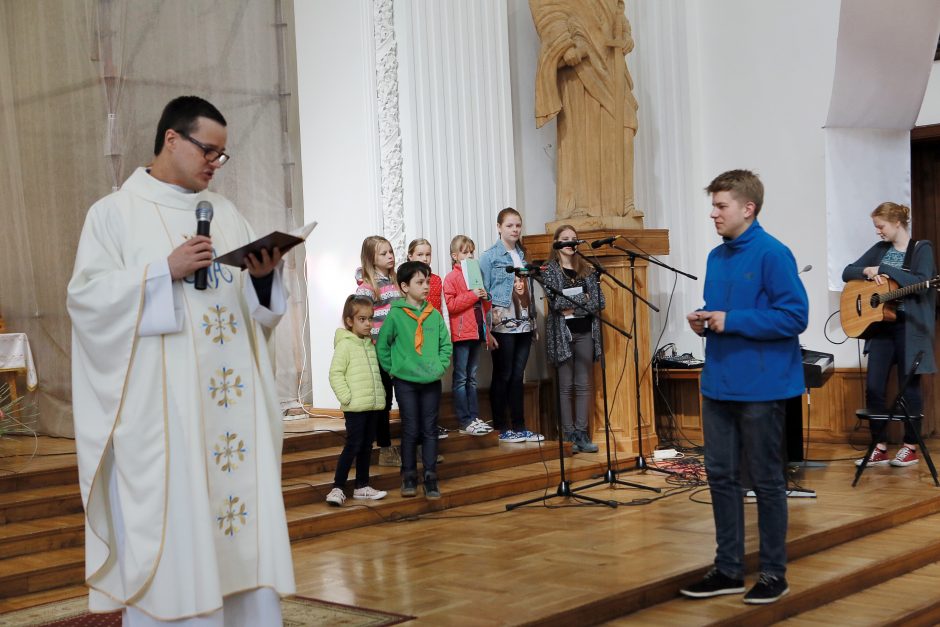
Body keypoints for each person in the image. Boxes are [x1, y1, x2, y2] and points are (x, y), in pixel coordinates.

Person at [67, 96, 295, 624]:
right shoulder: (113, 214)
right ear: (172, 139)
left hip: (232, 416)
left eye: (222, 154)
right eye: (208, 150)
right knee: (181, 536)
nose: (216, 162)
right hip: (170, 420)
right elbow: (87, 302)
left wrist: (262, 278)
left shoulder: (229, 215)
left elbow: (254, 315)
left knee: (241, 543)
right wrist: (160, 271)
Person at [680, 170, 808, 605]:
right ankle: (728, 569)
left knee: (768, 482)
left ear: (747, 208)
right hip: (719, 384)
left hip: (762, 386)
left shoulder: (774, 253)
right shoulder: (717, 257)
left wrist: (731, 321)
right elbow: (723, 311)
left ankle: (774, 573)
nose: (713, 214)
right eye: (713, 205)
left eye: (721, 206)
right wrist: (704, 320)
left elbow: (794, 317)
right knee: (720, 477)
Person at [529, 0, 642, 231]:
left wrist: (626, 33)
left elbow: (617, 10)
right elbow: (547, 9)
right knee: (582, 133)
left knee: (625, 123)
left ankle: (622, 203)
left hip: (610, 63)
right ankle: (581, 205)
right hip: (580, 65)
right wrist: (565, 44)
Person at [842, 202, 936, 468]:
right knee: (874, 387)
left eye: (880, 226)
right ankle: (879, 446)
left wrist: (887, 271)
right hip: (881, 327)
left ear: (897, 223)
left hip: (910, 326)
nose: (878, 232)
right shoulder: (880, 250)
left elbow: (919, 284)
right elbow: (847, 271)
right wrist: (867, 271)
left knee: (910, 388)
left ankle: (910, 447)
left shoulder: (921, 248)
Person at [376, 261, 453, 499]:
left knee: (430, 429)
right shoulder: (396, 315)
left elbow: (445, 345)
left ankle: (430, 476)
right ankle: (408, 474)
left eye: (427, 281)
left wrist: (439, 366)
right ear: (404, 287)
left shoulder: (434, 315)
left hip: (430, 381)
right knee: (410, 428)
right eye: (420, 282)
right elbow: (382, 346)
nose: (426, 286)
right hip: (405, 382)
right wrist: (393, 370)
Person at [479, 207, 544, 444]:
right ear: (499, 227)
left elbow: (528, 290)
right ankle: (501, 426)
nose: (515, 229)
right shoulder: (489, 257)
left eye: (518, 225)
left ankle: (520, 425)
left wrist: (534, 322)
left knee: (518, 376)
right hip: (502, 325)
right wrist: (487, 329)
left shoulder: (522, 255)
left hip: (524, 323)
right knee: (503, 375)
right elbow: (483, 295)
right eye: (510, 225)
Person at [542, 225, 604, 453]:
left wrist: (575, 308)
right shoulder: (550, 269)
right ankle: (568, 435)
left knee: (583, 384)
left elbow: (599, 301)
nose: (570, 242)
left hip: (585, 331)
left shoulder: (586, 270)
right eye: (565, 239)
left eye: (574, 239)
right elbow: (555, 303)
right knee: (566, 385)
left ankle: (581, 433)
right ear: (556, 242)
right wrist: (583, 298)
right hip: (562, 333)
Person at [326, 295, 389, 506]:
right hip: (355, 407)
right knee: (353, 445)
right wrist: (347, 398)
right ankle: (337, 487)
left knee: (366, 446)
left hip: (372, 405)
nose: (368, 324)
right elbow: (335, 373)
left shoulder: (369, 345)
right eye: (362, 319)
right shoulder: (345, 345)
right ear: (349, 321)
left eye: (370, 319)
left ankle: (362, 486)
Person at [356, 235, 402, 467]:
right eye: (383, 254)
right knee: (384, 400)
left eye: (391, 252)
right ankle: (384, 448)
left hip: (399, 352)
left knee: (401, 397)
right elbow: (361, 318)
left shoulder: (395, 283)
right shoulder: (368, 286)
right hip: (380, 352)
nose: (390, 256)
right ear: (371, 259)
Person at [443, 235, 493, 436]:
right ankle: (465, 420)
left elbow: (483, 306)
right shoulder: (452, 277)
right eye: (465, 252)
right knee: (461, 378)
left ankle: (474, 417)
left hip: (476, 332)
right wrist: (473, 294)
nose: (470, 255)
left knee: (472, 378)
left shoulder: (476, 274)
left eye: (472, 251)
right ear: (455, 256)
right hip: (462, 334)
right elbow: (451, 305)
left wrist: (485, 296)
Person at [407, 238, 444, 314]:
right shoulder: (406, 279)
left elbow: (443, 306)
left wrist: (446, 325)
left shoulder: (437, 279)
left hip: (436, 323)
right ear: (410, 256)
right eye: (420, 255)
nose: (425, 259)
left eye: (428, 254)